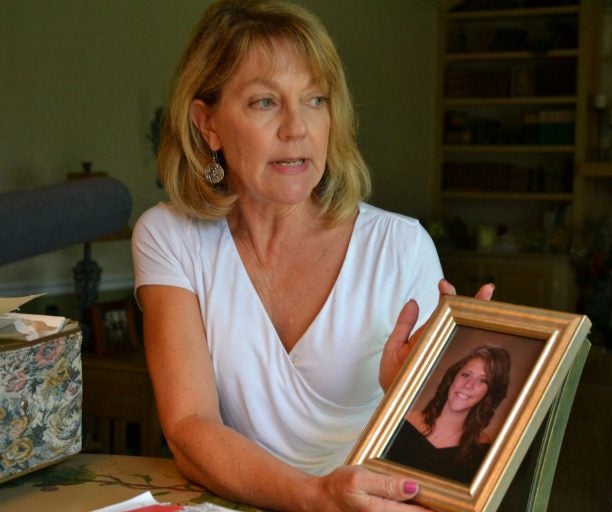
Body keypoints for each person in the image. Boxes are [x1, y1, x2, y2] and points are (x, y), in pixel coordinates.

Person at [131, 1, 493, 510]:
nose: (296, 128)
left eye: (315, 100)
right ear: (207, 123)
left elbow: (438, 449)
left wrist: (405, 395)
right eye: (264, 102)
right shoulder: (170, 236)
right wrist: (314, 496)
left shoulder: (400, 245)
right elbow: (190, 427)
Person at [386, 345, 512, 483]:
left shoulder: (481, 449)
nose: (468, 385)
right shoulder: (403, 422)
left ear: (489, 393)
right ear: (453, 377)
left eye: (483, 380)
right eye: (465, 375)